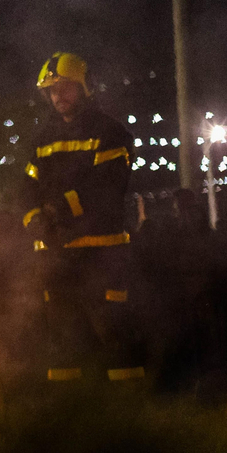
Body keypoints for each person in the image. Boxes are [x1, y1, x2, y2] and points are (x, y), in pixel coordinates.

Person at [21, 52, 145, 385]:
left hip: (102, 252)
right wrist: (35, 219)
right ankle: (70, 412)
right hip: (56, 253)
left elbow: (107, 186)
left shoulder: (109, 132)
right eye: (52, 91)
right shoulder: (41, 138)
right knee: (61, 334)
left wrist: (59, 209)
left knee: (112, 328)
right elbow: (26, 186)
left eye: (65, 88)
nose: (58, 96)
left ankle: (132, 408)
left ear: (83, 86)